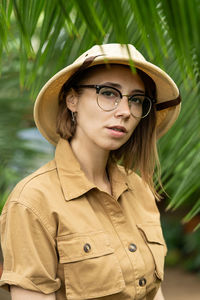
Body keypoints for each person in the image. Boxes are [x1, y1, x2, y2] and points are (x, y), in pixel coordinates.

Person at [0, 44, 181, 300]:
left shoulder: (138, 189)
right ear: (72, 99)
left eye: (136, 100)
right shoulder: (33, 201)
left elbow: (155, 293)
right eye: (108, 93)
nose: (125, 111)